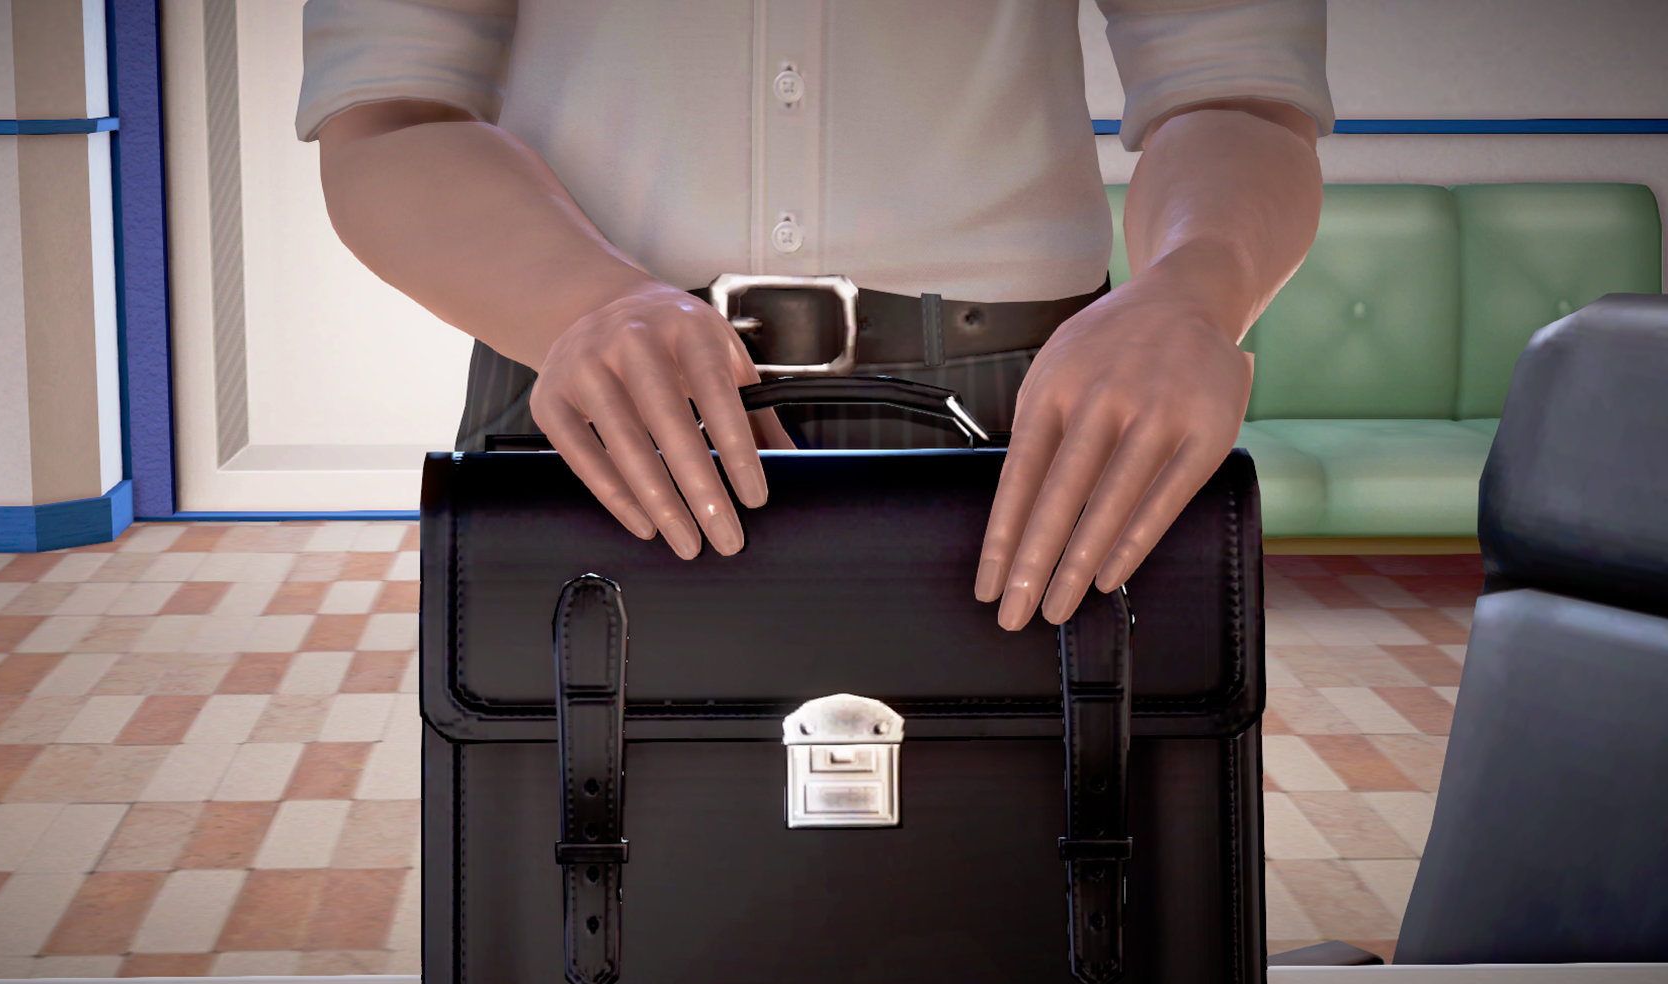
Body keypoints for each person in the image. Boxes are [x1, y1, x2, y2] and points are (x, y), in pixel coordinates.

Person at [299, 0, 1331, 627]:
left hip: (1025, 416)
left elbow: (1233, 81)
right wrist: (587, 303)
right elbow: (389, 106)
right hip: (592, 385)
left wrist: (1194, 287)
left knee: (1047, 879)